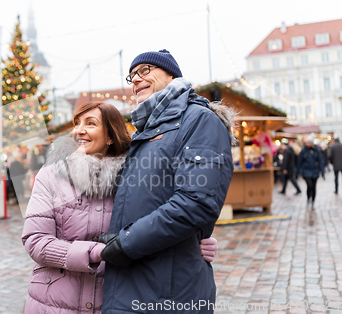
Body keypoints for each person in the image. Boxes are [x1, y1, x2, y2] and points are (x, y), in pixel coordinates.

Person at [21, 101, 219, 314]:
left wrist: (192, 243)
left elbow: (158, 224)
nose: (80, 130)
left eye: (90, 123)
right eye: (77, 123)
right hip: (53, 303)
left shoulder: (135, 178)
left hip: (116, 300)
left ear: (110, 136)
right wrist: (96, 252)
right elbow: (36, 241)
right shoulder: (51, 175)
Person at [99, 49, 235, 313]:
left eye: (145, 70)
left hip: (168, 291)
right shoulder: (147, 129)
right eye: (132, 76)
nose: (136, 79)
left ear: (172, 75)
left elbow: (196, 202)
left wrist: (125, 244)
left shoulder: (198, 120)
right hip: (137, 281)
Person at [298, 133, 325, 209]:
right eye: (307, 142)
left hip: (315, 171)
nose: (307, 144)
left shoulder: (316, 151)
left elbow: (320, 161)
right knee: (309, 185)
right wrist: (298, 171)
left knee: (314, 187)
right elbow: (300, 161)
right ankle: (308, 198)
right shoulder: (303, 151)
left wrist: (322, 172)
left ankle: (313, 201)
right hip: (306, 171)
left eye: (309, 142)